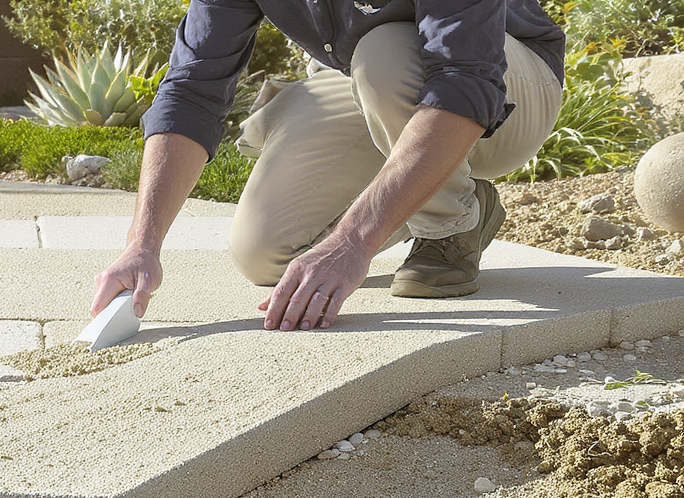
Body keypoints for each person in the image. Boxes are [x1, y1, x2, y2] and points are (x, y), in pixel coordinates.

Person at [90, 0, 566, 331]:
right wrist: (142, 245)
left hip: (509, 81)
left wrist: (353, 243)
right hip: (371, 81)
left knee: (383, 51)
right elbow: (192, 90)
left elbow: (465, 79)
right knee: (265, 254)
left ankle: (452, 219)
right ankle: (442, 191)